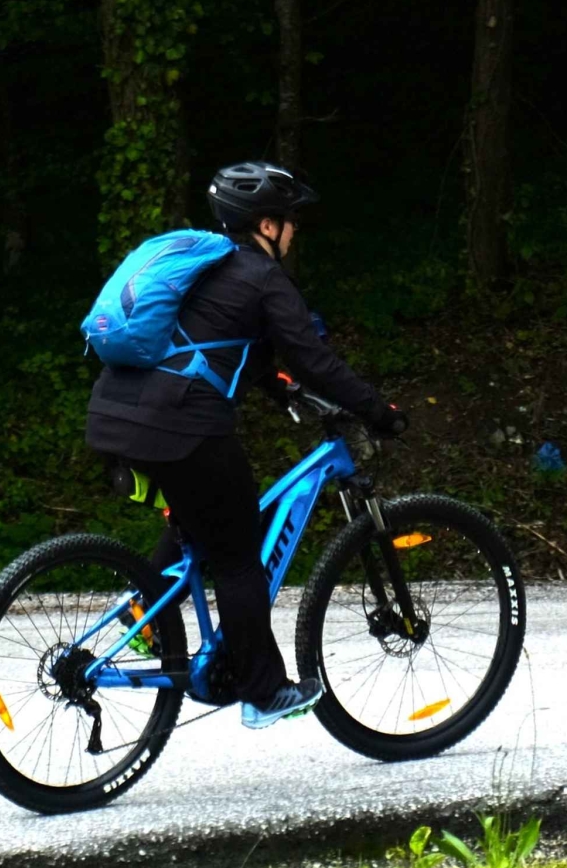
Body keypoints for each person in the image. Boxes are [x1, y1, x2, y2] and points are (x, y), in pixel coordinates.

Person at [85, 161, 407, 728]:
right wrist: (378, 412)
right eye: (289, 221)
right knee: (239, 553)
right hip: (180, 425)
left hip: (116, 415)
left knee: (198, 522)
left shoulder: (208, 268)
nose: (294, 231)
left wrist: (276, 386)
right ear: (265, 225)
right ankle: (262, 691)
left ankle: (144, 615)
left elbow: (222, 343)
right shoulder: (262, 277)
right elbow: (311, 355)